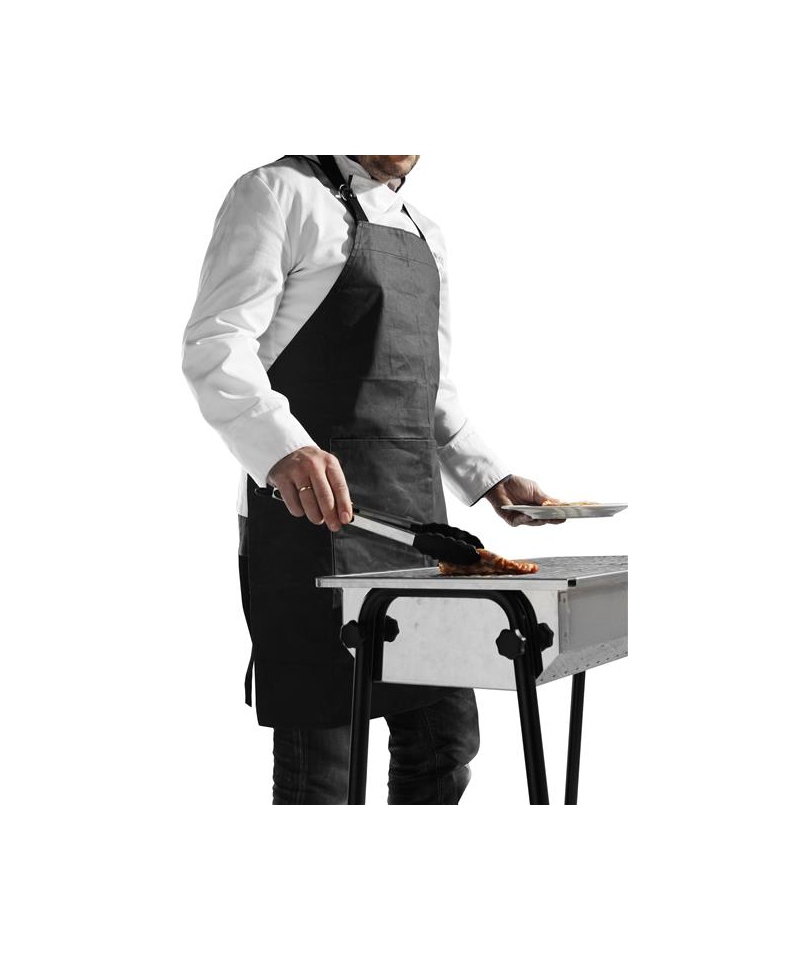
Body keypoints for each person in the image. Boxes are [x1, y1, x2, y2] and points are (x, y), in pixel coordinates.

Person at [182, 155, 561, 804]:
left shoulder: (424, 232)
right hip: (310, 526)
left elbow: (429, 388)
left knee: (444, 746)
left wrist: (491, 475)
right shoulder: (277, 193)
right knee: (324, 768)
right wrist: (282, 449)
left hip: (419, 534)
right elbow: (217, 346)